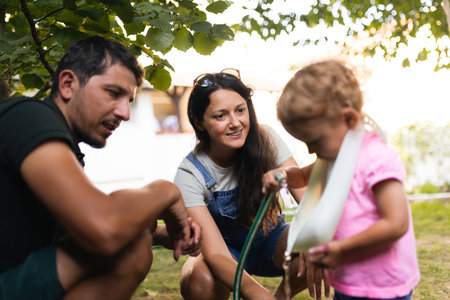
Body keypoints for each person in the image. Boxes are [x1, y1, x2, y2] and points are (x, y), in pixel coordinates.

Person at [0, 35, 201, 299]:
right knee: (130, 247)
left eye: (129, 101)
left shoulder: (67, 148)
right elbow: (103, 229)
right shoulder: (30, 117)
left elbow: (73, 234)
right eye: (113, 93)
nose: (125, 113)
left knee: (136, 234)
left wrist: (160, 234)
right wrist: (166, 191)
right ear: (68, 84)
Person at [262, 60, 420, 300]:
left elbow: (396, 223)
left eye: (314, 141)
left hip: (384, 283)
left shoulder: (376, 159)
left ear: (348, 120)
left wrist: (340, 248)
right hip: (349, 280)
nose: (312, 150)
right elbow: (303, 176)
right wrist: (282, 176)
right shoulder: (334, 158)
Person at [173, 68, 329, 300]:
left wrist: (312, 238)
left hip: (273, 241)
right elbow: (215, 253)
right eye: (220, 116)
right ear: (199, 123)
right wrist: (257, 293)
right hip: (225, 252)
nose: (235, 123)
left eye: (240, 110)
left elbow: (307, 197)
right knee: (199, 281)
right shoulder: (190, 174)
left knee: (327, 239)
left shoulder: (265, 138)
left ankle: (281, 297)